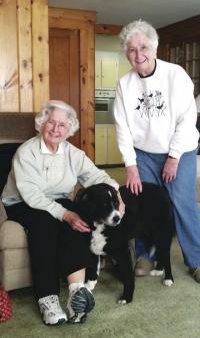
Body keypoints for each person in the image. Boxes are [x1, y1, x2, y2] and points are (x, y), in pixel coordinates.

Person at [1, 100, 125, 325]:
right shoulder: (26, 152)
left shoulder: (72, 153)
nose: (56, 129)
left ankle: (77, 292)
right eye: (51, 123)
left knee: (79, 218)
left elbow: (97, 176)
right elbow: (32, 196)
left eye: (62, 125)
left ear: (69, 129)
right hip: (21, 202)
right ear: (41, 124)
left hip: (55, 200)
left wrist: (118, 195)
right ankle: (47, 298)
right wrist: (65, 214)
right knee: (46, 223)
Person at [113, 19, 200, 283]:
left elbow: (187, 119)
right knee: (142, 202)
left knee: (182, 203)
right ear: (126, 53)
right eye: (131, 49)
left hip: (181, 151)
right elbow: (122, 127)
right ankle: (145, 255)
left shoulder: (176, 75)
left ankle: (196, 260)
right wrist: (130, 165)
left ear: (155, 47)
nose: (138, 55)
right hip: (144, 153)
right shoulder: (124, 85)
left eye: (144, 47)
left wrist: (174, 157)